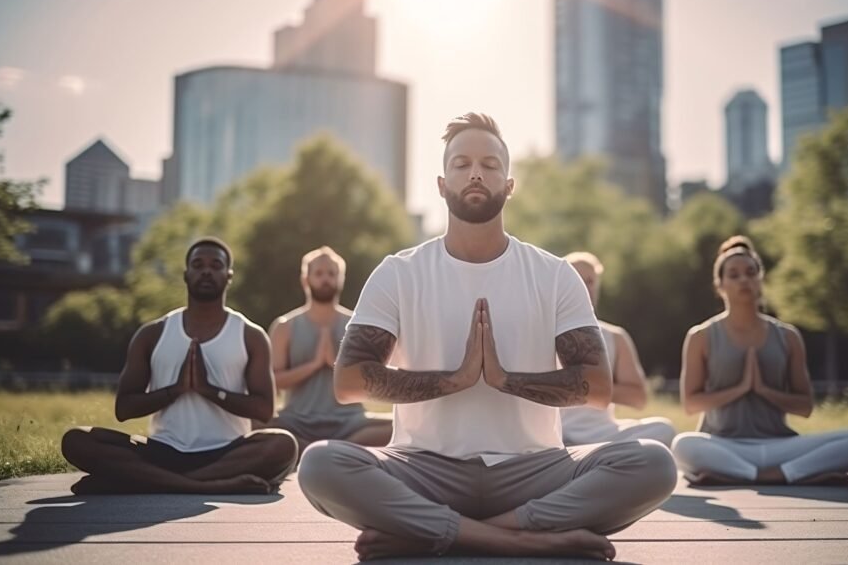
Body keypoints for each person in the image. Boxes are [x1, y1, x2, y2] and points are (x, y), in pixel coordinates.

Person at [297, 112, 677, 561]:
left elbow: (598, 388)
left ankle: (433, 532)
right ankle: (520, 539)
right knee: (321, 464)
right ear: (442, 184)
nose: (476, 172)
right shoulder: (398, 273)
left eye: (490, 164)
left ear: (510, 184)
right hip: (424, 468)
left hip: (533, 469)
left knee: (653, 463)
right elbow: (349, 383)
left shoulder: (554, 275)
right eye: (461, 164)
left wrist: (505, 380)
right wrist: (453, 380)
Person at [60, 238, 298, 495]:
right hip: (163, 450)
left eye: (215, 265)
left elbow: (264, 409)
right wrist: (175, 390)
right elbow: (124, 408)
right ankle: (203, 486)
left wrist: (209, 390)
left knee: (283, 445)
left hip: (227, 452)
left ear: (228, 276)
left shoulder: (250, 335)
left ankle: (139, 481)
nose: (206, 270)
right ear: (186, 274)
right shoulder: (152, 333)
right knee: (77, 439)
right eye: (198, 264)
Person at [671, 235, 848, 487]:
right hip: (724, 445)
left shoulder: (788, 336)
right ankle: (794, 474)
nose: (744, 279)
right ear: (720, 285)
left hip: (780, 445)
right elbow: (691, 403)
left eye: (750, 272)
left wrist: (764, 390)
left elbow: (805, 406)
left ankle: (758, 474)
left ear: (761, 279)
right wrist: (740, 388)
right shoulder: (700, 336)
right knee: (682, 445)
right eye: (734, 275)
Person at [263, 246, 391, 449]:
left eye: (332, 274)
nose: (325, 279)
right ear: (306, 279)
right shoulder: (285, 326)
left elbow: (368, 383)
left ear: (341, 279)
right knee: (251, 424)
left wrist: (334, 363)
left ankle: (316, 449)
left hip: (350, 422)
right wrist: (313, 365)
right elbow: (274, 382)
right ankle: (333, 450)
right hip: (297, 420)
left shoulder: (357, 325)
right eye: (319, 273)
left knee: (399, 426)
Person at [561, 252, 675, 447]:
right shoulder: (541, 332)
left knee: (664, 429)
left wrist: (594, 386)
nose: (584, 287)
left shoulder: (615, 336)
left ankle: (600, 458)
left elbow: (638, 398)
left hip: (604, 434)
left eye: (590, 281)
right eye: (577, 279)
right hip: (559, 434)